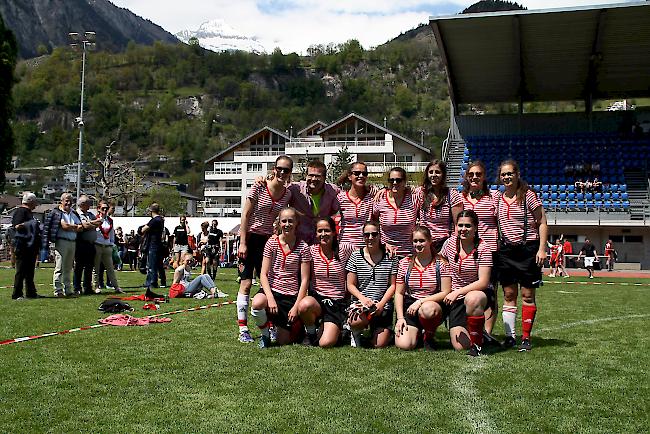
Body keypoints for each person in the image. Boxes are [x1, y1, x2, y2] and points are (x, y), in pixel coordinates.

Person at [237, 155, 293, 343]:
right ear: (274, 169)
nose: (282, 172)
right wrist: (243, 242)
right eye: (280, 168)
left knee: (268, 283)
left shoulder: (287, 194)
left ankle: (270, 325)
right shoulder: (259, 186)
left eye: (286, 170)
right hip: (251, 237)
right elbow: (245, 215)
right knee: (246, 283)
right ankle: (243, 329)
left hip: (269, 241)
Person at [494, 160, 548, 352]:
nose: (507, 177)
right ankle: (510, 337)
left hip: (527, 250)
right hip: (506, 251)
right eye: (503, 174)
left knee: (527, 295)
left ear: (517, 174)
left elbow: (542, 222)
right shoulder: (497, 198)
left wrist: (542, 248)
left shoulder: (529, 196)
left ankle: (526, 337)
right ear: (500, 177)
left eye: (510, 174)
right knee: (509, 294)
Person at [251, 207, 311, 349]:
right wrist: (270, 298)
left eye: (291, 221)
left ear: (297, 223)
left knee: (282, 341)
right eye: (284, 221)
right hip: (272, 291)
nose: (287, 224)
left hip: (290, 296)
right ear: (279, 223)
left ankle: (297, 327)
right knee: (257, 302)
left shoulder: (303, 247)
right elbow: (263, 274)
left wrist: (296, 306)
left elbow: (305, 280)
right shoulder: (271, 243)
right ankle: (265, 335)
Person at [440, 210, 494, 356]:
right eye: (460, 225)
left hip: (478, 294)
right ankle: (482, 335)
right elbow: (440, 258)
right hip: (456, 297)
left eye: (468, 226)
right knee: (459, 346)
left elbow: (483, 282)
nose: (463, 229)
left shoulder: (484, 248)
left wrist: (457, 292)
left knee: (473, 298)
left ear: (476, 227)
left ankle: (476, 346)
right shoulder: (450, 243)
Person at [298, 217, 355, 347]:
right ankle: (311, 333)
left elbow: (366, 250)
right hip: (317, 300)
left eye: (327, 230)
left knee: (326, 343)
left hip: (337, 302)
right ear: (316, 234)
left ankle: (338, 328)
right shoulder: (311, 250)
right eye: (320, 231)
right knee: (304, 305)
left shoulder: (344, 249)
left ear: (334, 232)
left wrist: (384, 246)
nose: (323, 234)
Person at [459, 160, 499, 341]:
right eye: (471, 174)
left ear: (484, 177)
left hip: (490, 251)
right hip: (467, 252)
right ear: (467, 177)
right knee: (470, 292)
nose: (474, 177)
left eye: (478, 174)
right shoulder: (460, 198)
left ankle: (488, 333)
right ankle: (473, 329)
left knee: (490, 294)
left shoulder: (494, 197)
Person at [394, 226, 450, 351]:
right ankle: (418, 333)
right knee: (405, 345)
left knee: (427, 308)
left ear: (430, 241)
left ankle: (429, 336)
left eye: (422, 240)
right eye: (415, 241)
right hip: (410, 307)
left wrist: (420, 302)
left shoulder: (441, 263)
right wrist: (400, 318)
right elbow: (399, 293)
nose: (418, 244)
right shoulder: (404, 263)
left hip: (431, 305)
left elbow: (446, 291)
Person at [345, 220, 397, 348]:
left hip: (382, 304)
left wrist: (381, 304)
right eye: (366, 234)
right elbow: (350, 284)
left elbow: (393, 285)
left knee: (379, 344)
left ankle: (379, 331)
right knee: (357, 321)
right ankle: (355, 330)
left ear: (380, 236)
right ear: (362, 236)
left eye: (374, 234)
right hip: (362, 303)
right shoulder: (355, 256)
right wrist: (363, 299)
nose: (370, 238)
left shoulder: (391, 257)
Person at [288, 159, 340, 245]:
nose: (313, 179)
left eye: (318, 176)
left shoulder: (333, 191)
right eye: (311, 175)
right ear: (306, 176)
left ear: (324, 178)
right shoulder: (295, 189)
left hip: (321, 241)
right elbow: (278, 193)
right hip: (299, 241)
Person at [372, 167, 419, 257]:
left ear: (404, 181)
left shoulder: (413, 198)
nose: (394, 183)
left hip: (409, 254)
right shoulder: (380, 199)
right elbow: (374, 223)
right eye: (391, 180)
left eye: (398, 180)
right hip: (385, 252)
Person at [43, 193, 83, 297]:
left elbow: (81, 227)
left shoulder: (74, 213)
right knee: (59, 266)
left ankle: (68, 290)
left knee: (68, 267)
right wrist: (75, 226)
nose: (69, 203)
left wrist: (73, 226)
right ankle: (58, 290)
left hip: (72, 242)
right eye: (66, 200)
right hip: (61, 242)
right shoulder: (57, 212)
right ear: (62, 201)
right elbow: (64, 226)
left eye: (70, 201)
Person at [418, 159, 463, 251]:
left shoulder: (452, 195)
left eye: (437, 172)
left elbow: (457, 224)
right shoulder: (420, 193)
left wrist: (453, 244)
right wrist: (385, 189)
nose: (433, 175)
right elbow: (403, 190)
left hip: (443, 243)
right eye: (431, 172)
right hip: (423, 242)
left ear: (443, 175)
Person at [337, 161, 378, 247]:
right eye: (357, 173)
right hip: (345, 247)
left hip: (365, 246)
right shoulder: (340, 198)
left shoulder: (372, 197)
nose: (361, 176)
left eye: (364, 173)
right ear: (349, 176)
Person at [11, 192, 41, 300]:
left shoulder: (29, 212)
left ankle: (31, 292)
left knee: (30, 271)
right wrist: (31, 223)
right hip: (22, 245)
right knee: (21, 270)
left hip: (30, 246)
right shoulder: (21, 211)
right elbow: (17, 226)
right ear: (30, 202)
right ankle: (17, 294)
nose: (36, 205)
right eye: (35, 202)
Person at [93, 200, 123, 294]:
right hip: (97, 245)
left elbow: (111, 234)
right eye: (103, 208)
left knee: (110, 268)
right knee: (96, 268)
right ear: (98, 209)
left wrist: (112, 244)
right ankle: (96, 286)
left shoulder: (110, 220)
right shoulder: (95, 219)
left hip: (107, 246)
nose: (105, 210)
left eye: (106, 208)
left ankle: (116, 287)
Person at [73, 195, 101, 295]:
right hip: (81, 243)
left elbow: (99, 222)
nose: (90, 205)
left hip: (91, 244)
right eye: (89, 203)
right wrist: (91, 224)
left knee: (89, 267)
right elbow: (84, 225)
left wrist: (90, 223)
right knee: (79, 267)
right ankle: (77, 288)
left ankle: (87, 287)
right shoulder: (76, 213)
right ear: (83, 204)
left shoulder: (90, 214)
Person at [141, 203, 165, 298]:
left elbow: (143, 230)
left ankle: (151, 282)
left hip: (153, 244)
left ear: (151, 211)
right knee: (158, 264)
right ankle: (159, 281)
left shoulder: (154, 220)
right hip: (158, 244)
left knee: (151, 264)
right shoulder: (161, 220)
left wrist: (142, 228)